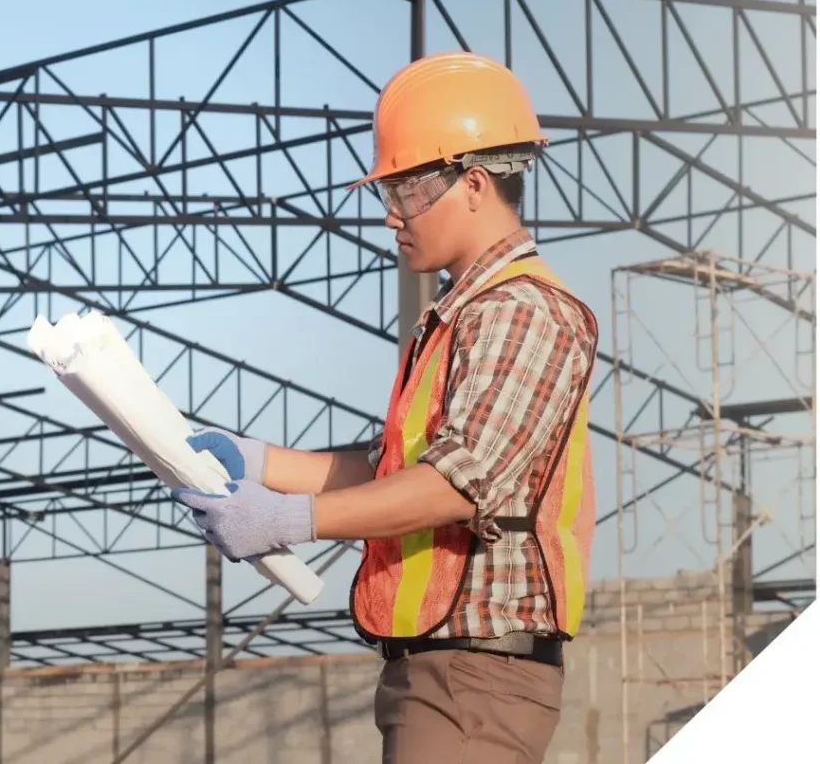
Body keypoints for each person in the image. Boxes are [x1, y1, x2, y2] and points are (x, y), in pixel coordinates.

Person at [173, 51, 599, 763]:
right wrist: (261, 463)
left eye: (405, 191)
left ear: (472, 183)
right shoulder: (460, 317)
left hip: (475, 675)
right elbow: (393, 466)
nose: (390, 216)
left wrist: (290, 520)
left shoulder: (523, 312)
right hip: (442, 672)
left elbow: (455, 483)